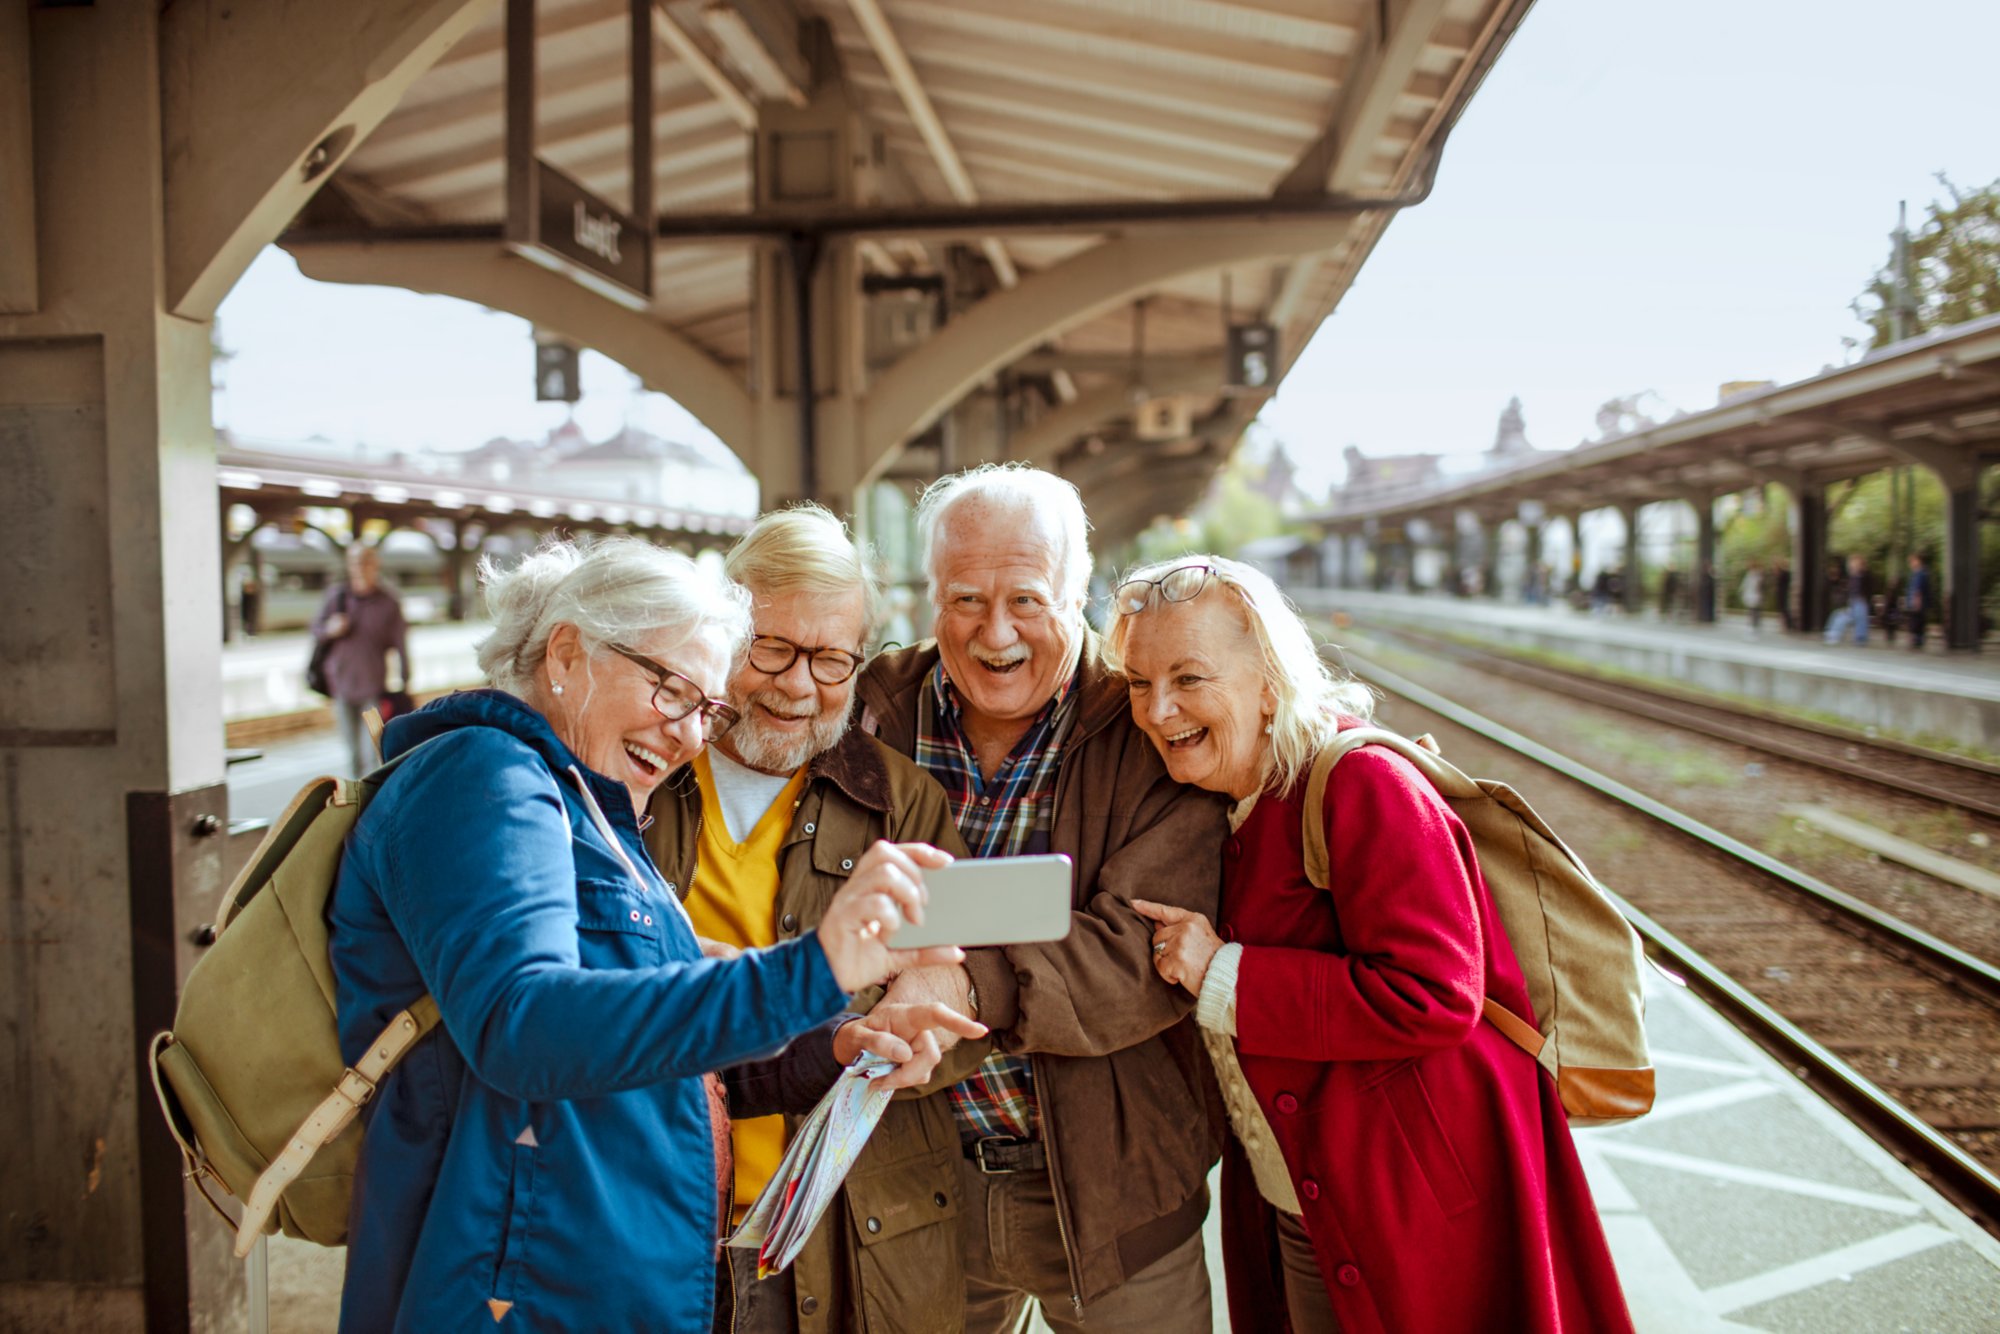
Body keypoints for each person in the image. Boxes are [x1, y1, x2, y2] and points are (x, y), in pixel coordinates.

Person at [327, 537, 967, 1332]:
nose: (691, 736)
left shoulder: (582, 806)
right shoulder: (484, 778)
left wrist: (836, 1044)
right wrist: (816, 965)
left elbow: (652, 1059)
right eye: (669, 689)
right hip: (515, 1291)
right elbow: (523, 1025)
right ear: (567, 651)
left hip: (579, 1281)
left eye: (705, 708)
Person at [1105, 555, 1634, 1334]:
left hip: (1413, 1212)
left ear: (1268, 679)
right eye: (1140, 683)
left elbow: (1436, 994)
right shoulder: (1235, 793)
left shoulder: (1363, 783)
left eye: (1188, 678)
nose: (1157, 710)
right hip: (1312, 1196)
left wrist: (1224, 973)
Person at [854, 464, 1230, 1333]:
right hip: (914, 1185)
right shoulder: (872, 710)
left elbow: (1143, 950)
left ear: (1078, 591)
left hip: (1112, 1197)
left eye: (1026, 599)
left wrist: (965, 985)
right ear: (930, 597)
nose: (996, 634)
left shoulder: (1148, 723)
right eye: (964, 601)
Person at [644, 506, 987, 1333]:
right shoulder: (642, 767)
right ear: (723, 632)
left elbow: (955, 968)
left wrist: (926, 1011)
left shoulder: (902, 798)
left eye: (832, 659)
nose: (798, 685)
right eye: (772, 648)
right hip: (660, 1212)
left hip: (847, 1231)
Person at [311, 543, 411, 776]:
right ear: (349, 565)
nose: (360, 567)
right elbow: (315, 629)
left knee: (372, 754)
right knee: (353, 755)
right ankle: (358, 808)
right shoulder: (336, 597)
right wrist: (330, 629)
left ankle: (371, 805)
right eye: (356, 562)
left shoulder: (388, 602)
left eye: (366, 561)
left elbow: (401, 644)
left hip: (373, 687)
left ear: (376, 565)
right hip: (340, 685)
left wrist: (405, 681)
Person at [1826, 553, 1872, 645]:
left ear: (1860, 565)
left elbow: (1868, 588)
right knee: (1841, 616)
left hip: (1860, 601)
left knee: (1860, 617)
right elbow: (1846, 590)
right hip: (1852, 601)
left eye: (1855, 564)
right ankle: (1833, 635)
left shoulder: (1864, 576)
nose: (1852, 567)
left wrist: (1864, 598)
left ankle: (1860, 638)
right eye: (1851, 565)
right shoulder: (1851, 577)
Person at [1905, 552, 1935, 651]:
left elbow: (1918, 590)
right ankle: (1919, 640)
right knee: (1920, 622)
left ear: (1918, 561)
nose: (1911, 563)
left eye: (1913, 561)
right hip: (1921, 603)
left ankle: (1917, 640)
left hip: (1918, 603)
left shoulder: (1919, 573)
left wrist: (1916, 602)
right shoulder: (1922, 572)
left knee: (1916, 622)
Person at [1739, 560, 1765, 633]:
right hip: (1751, 594)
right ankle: (1753, 624)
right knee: (1752, 610)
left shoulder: (1756, 574)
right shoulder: (1750, 574)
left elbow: (1758, 585)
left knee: (1753, 610)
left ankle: (1754, 624)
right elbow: (1745, 584)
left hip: (1754, 594)